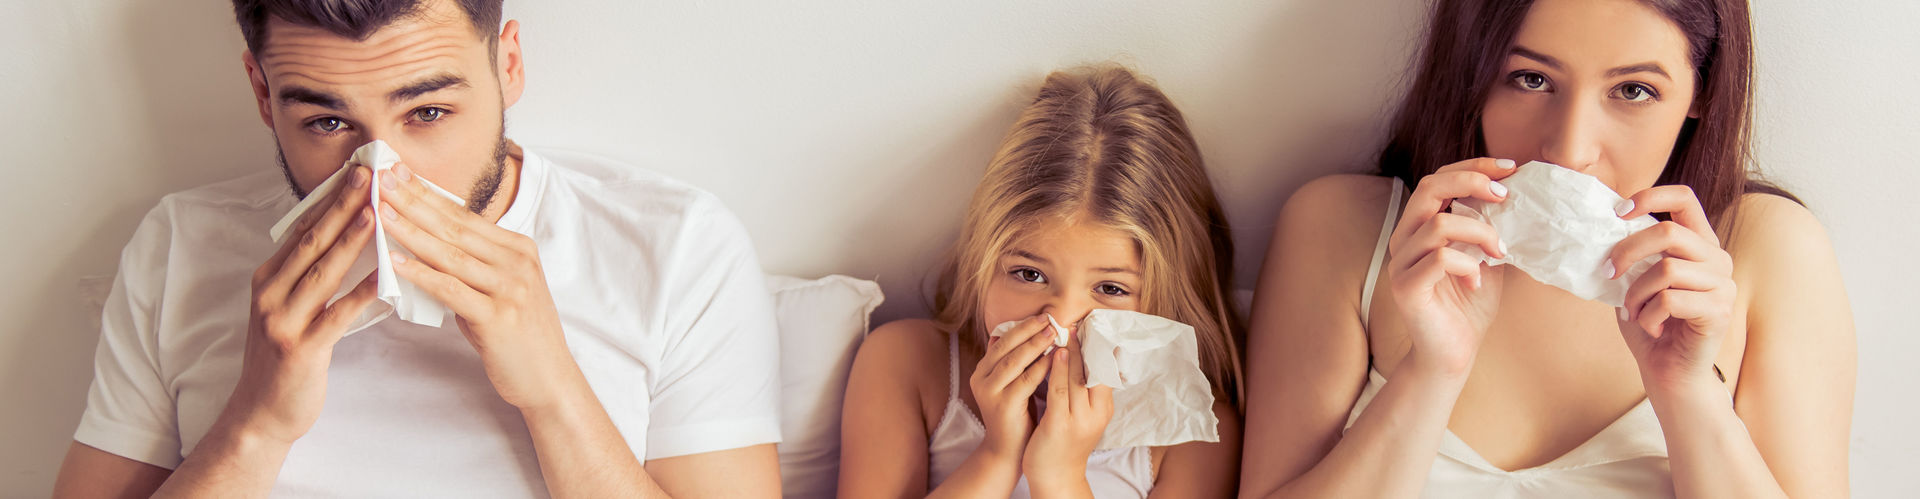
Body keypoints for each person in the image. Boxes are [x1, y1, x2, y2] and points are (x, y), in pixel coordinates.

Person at [51, 0, 784, 496]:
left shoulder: (677, 246)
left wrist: (555, 393)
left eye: (428, 111)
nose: (380, 173)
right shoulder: (178, 246)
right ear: (262, 92)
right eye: (326, 123)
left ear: (509, 65)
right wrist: (255, 424)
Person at [1238, 0, 1854, 497]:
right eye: (1531, 79)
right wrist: (1431, 373)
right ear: (1474, 77)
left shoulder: (1766, 251)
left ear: (1702, 94)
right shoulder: (1342, 231)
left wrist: (1689, 393)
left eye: (1634, 90)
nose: (1569, 149)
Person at [837, 65, 1244, 498]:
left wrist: (1061, 476)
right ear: (984, 261)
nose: (1062, 321)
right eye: (1029, 275)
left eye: (1110, 289)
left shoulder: (1190, 431)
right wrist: (998, 454)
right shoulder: (908, 362)